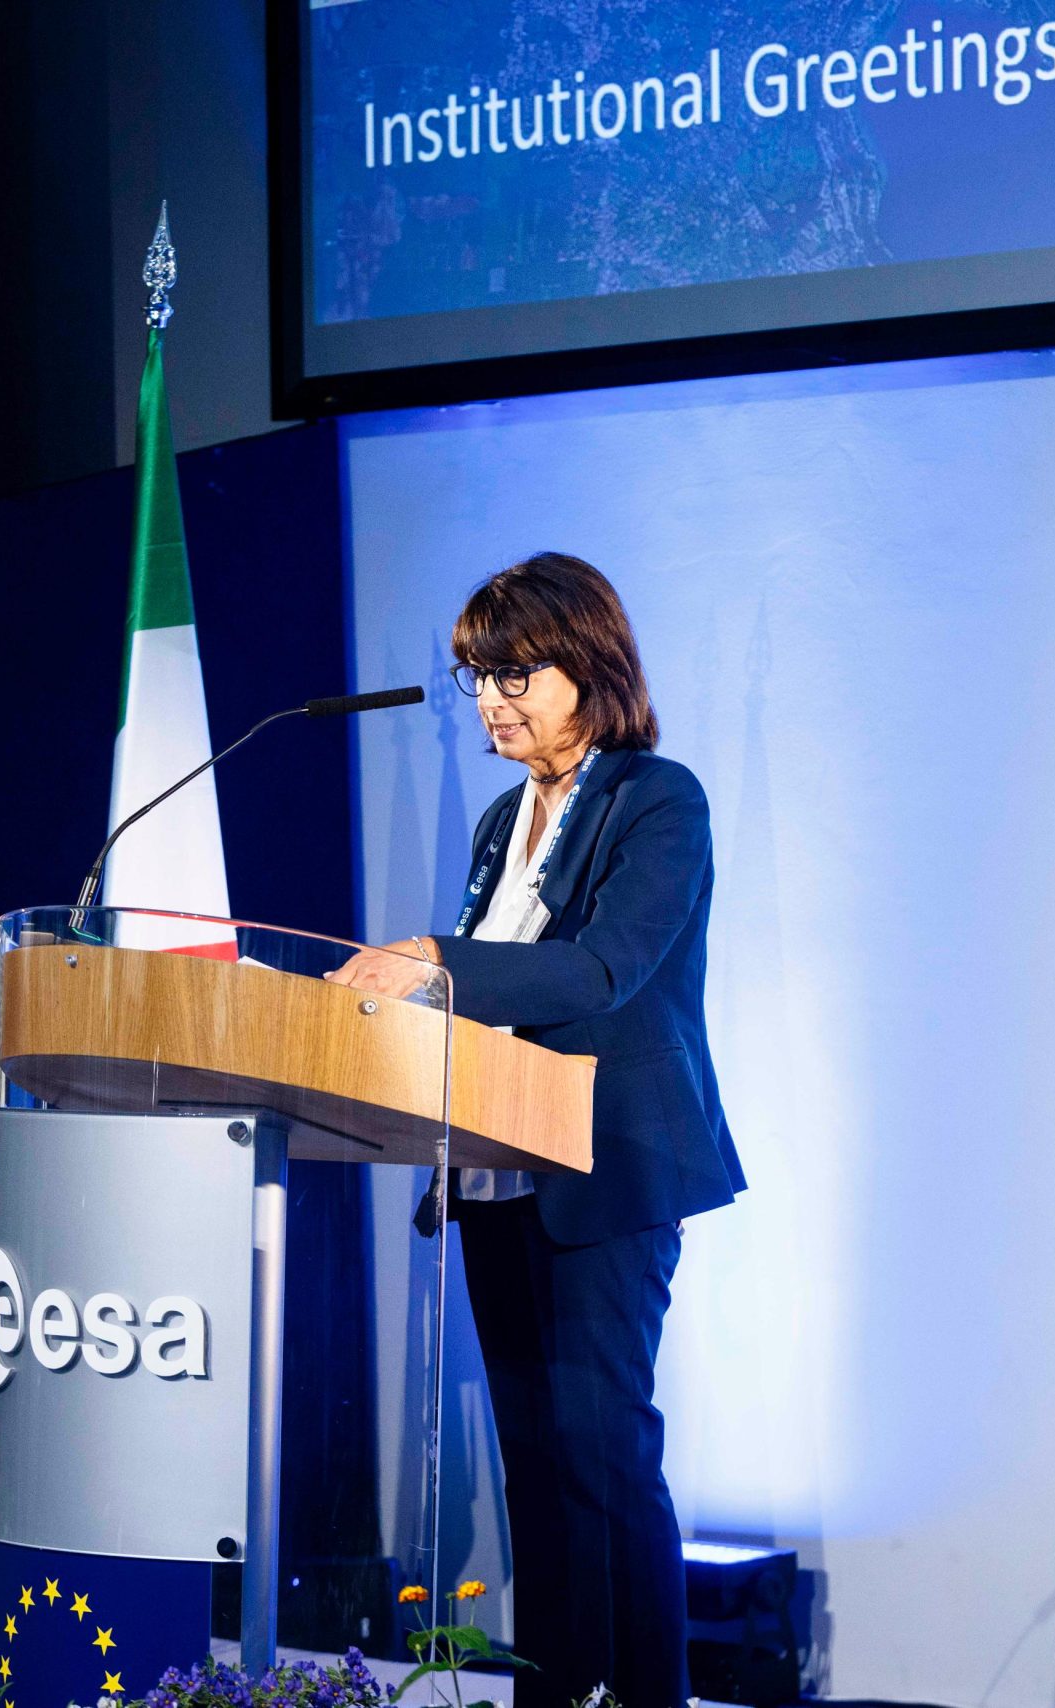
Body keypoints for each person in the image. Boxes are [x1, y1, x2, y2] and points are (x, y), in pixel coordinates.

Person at [329, 552, 743, 1708]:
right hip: (497, 1173)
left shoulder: (656, 800)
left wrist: (435, 958)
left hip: (606, 1174)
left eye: (518, 674)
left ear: (588, 665)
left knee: (604, 1463)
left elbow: (603, 969)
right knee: (535, 1473)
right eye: (480, 677)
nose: (493, 701)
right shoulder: (501, 821)